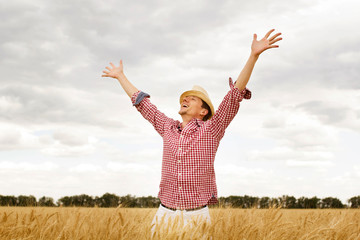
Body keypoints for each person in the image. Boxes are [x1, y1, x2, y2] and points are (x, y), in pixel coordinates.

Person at [102, 29, 282, 235]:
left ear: (204, 111)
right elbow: (144, 104)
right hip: (164, 214)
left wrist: (253, 56)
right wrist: (120, 76)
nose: (184, 100)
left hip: (195, 216)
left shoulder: (212, 129)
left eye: (192, 99)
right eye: (183, 99)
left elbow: (233, 96)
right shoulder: (167, 127)